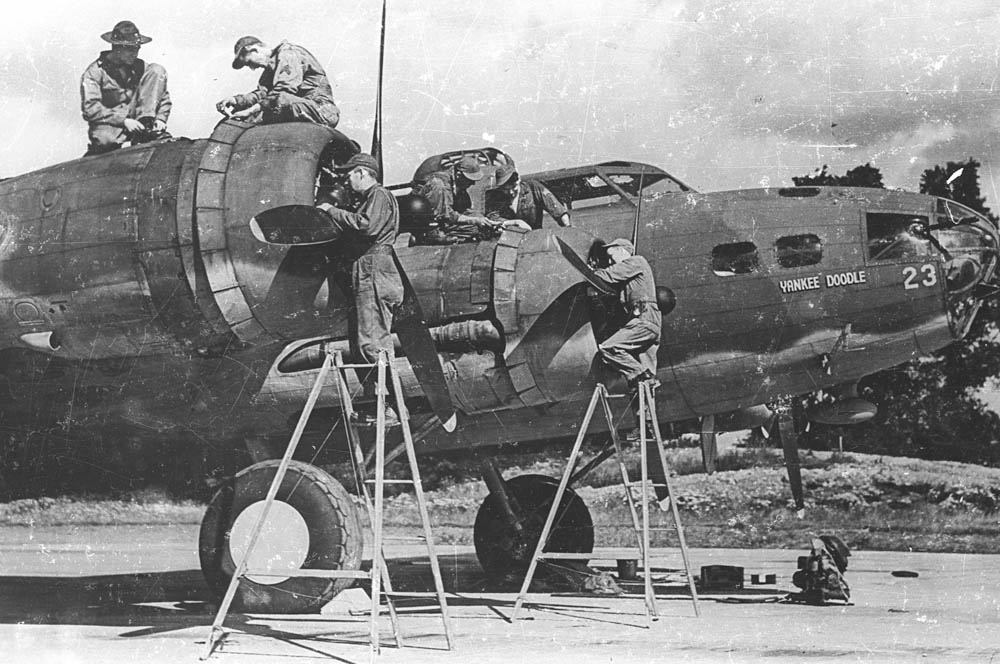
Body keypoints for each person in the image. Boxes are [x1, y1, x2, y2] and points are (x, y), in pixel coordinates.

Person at [316, 153, 402, 422]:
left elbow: (366, 226)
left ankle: (388, 407)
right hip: (368, 268)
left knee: (371, 341)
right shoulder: (373, 199)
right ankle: (379, 403)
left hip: (373, 268)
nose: (347, 180)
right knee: (362, 341)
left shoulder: (380, 195)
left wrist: (331, 211)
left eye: (350, 174)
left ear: (363, 173)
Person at [80, 20, 171, 155]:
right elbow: (90, 108)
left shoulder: (141, 68)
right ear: (116, 48)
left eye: (137, 49)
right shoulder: (94, 72)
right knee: (104, 142)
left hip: (139, 122)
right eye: (129, 50)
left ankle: (147, 130)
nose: (134, 54)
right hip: (111, 124)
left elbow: (161, 94)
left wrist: (160, 118)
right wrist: (124, 121)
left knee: (157, 70)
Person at [216, 37, 340, 128]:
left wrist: (249, 111)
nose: (252, 68)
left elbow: (284, 90)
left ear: (253, 49)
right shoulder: (270, 69)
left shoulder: (289, 53)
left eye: (248, 62)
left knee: (279, 99)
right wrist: (236, 100)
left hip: (321, 110)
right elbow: (262, 94)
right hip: (296, 107)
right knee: (238, 115)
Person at [592, 238, 661, 391]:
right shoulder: (630, 278)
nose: (610, 262)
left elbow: (607, 275)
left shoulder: (636, 261)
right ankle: (646, 411)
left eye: (612, 257)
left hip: (644, 321)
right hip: (650, 323)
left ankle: (643, 374)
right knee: (642, 388)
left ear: (622, 250)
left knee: (608, 348)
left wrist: (591, 272)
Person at [413, 155, 499, 243]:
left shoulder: (458, 184)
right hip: (431, 225)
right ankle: (428, 238)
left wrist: (484, 220)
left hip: (445, 220)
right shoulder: (439, 185)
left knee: (478, 228)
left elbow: (465, 210)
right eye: (470, 179)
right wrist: (474, 220)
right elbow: (445, 215)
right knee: (472, 228)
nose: (472, 183)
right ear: (458, 174)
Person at [486, 165, 571, 230]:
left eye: (514, 187)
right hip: (507, 242)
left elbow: (557, 209)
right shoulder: (495, 197)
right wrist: (515, 222)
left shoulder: (534, 188)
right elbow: (492, 219)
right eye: (505, 189)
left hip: (534, 239)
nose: (510, 192)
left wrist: (568, 227)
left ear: (518, 179)